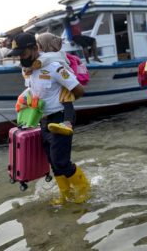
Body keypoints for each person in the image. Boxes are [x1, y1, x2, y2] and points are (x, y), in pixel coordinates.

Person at [8, 33, 90, 205]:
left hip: (60, 117)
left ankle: (84, 190)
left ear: (34, 48)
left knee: (61, 161)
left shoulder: (53, 67)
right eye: (18, 55)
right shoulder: (30, 71)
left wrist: (65, 100)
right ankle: (65, 195)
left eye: (23, 54)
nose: (20, 59)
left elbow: (79, 90)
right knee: (53, 162)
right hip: (43, 120)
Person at [36, 32, 75, 136]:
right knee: (67, 101)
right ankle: (67, 121)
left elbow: (41, 62)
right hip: (65, 79)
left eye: (38, 44)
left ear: (44, 45)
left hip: (64, 80)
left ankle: (68, 123)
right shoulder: (58, 53)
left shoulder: (51, 57)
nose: (37, 47)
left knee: (66, 101)